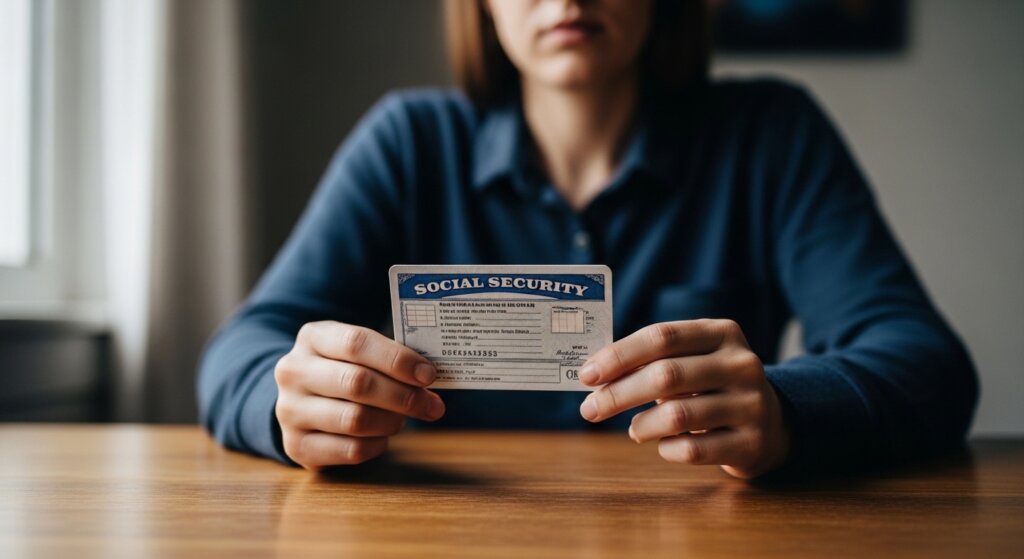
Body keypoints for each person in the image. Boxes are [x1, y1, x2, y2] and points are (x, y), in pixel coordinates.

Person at [198, 0, 978, 478]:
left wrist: (786, 411)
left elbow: (925, 360)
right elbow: (241, 349)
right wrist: (287, 401)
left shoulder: (772, 135)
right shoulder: (408, 142)